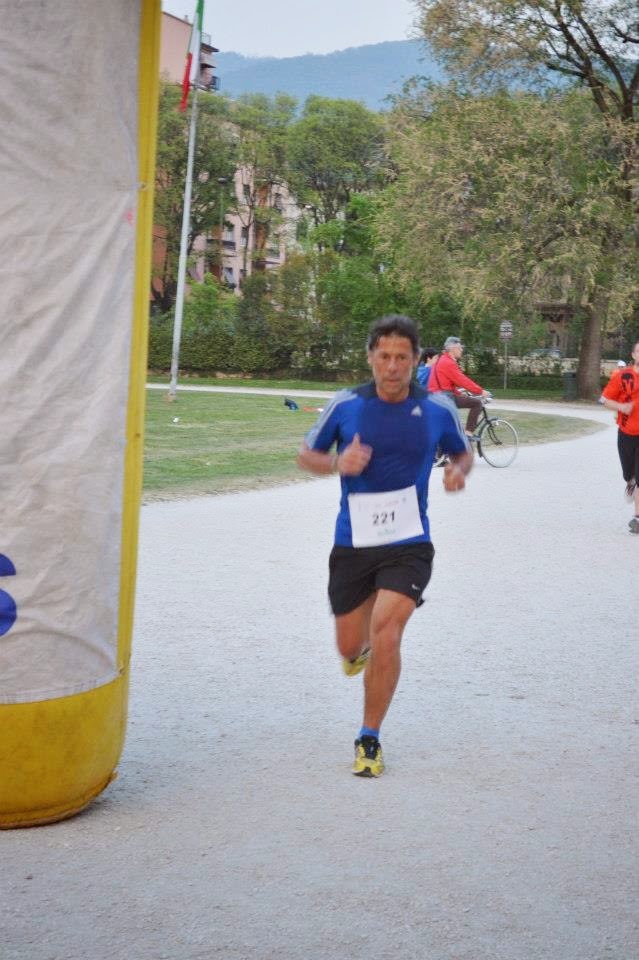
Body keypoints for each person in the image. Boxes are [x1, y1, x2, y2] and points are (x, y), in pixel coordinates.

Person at [297, 315, 473, 777]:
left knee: (387, 633)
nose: (392, 367)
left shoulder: (437, 408)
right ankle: (359, 655)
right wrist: (338, 462)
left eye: (402, 357)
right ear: (371, 358)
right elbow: (306, 454)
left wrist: (458, 472)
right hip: (354, 543)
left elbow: (462, 452)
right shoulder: (347, 404)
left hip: (409, 542)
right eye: (384, 356)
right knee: (349, 646)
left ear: (416, 361)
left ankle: (369, 737)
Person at [601, 341, 639, 534]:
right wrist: (621, 407)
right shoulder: (623, 376)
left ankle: (637, 518)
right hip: (626, 433)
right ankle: (630, 481)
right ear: (633, 354)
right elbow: (604, 399)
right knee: (629, 474)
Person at [428, 336, 491, 436]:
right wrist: (480, 391)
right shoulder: (448, 363)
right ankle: (468, 434)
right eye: (460, 347)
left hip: (436, 396)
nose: (462, 350)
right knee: (477, 403)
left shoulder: (440, 360)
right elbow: (462, 380)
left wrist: (459, 393)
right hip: (445, 398)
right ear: (453, 349)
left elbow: (445, 383)